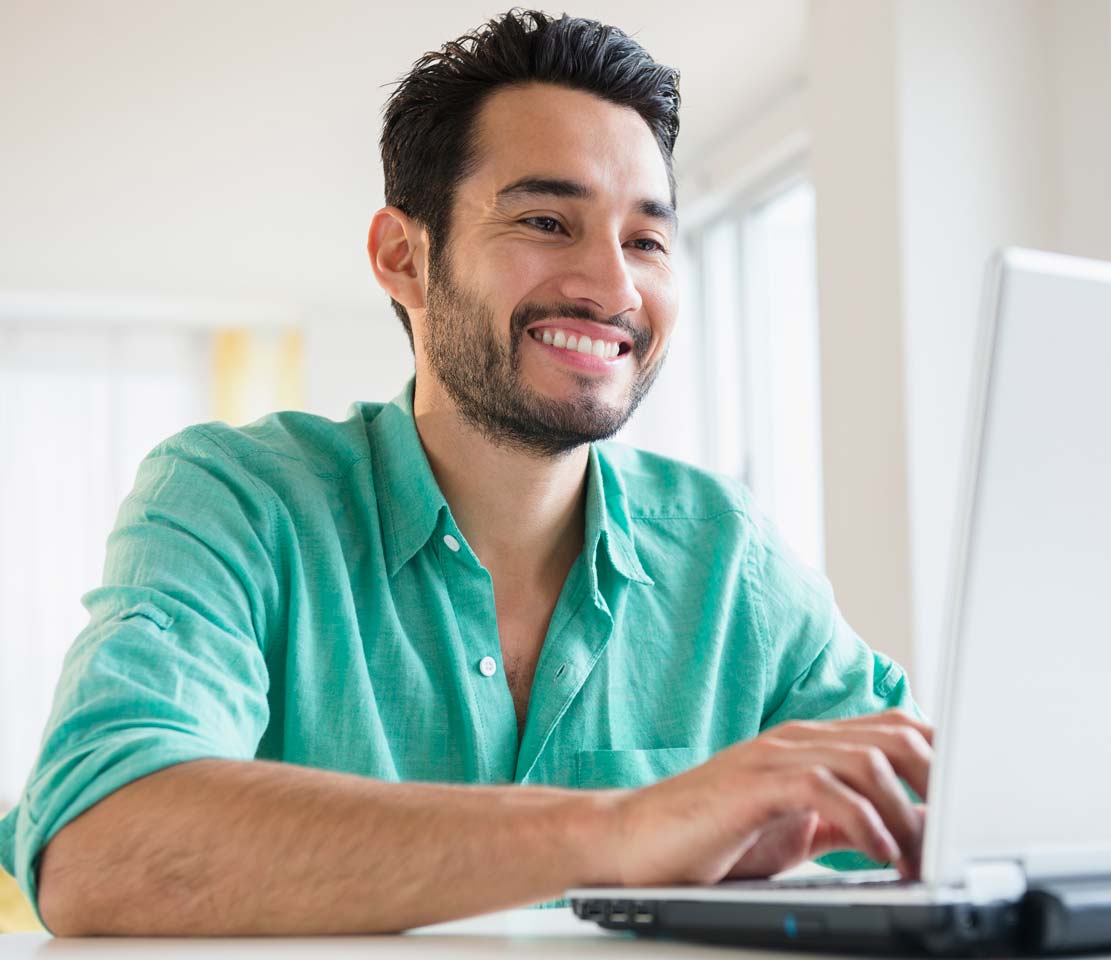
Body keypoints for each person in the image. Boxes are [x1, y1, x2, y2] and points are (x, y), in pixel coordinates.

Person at [0, 9, 932, 936]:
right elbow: (99, 847)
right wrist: (627, 828)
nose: (612, 288)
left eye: (646, 240)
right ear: (403, 258)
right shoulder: (236, 501)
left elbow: (956, 814)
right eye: (544, 220)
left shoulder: (733, 561)